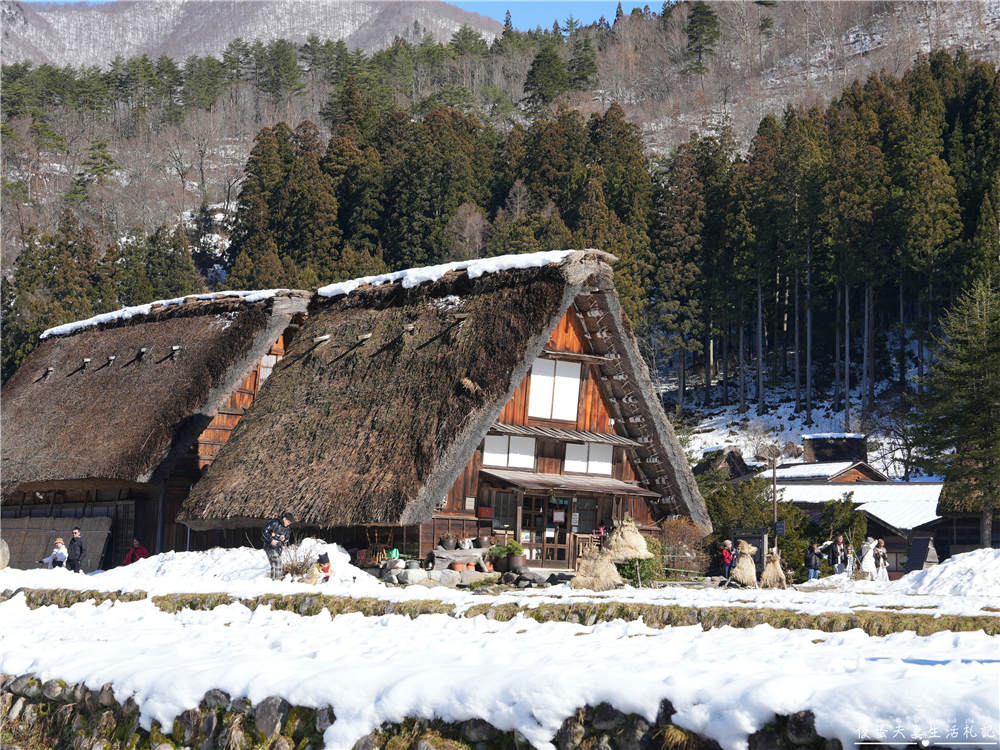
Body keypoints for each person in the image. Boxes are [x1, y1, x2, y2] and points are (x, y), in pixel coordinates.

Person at [261, 511, 294, 581]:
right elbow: (264, 530)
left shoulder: (287, 528)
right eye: (288, 522)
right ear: (284, 518)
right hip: (269, 546)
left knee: (274, 564)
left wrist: (284, 539)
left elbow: (287, 538)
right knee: (278, 562)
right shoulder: (274, 523)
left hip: (279, 547)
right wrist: (271, 540)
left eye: (290, 523)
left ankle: (273, 580)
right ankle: (276, 580)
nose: (288, 524)